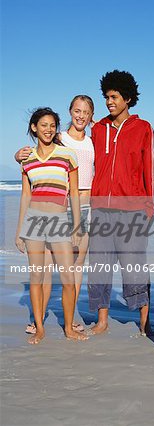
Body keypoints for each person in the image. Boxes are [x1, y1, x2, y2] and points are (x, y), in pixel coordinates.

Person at [15, 95, 95, 334]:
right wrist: (20, 232)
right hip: (42, 217)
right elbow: (26, 193)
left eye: (86, 112)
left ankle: (68, 325)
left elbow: (73, 187)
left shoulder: (84, 145)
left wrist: (77, 225)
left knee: (72, 272)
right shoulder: (43, 150)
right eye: (77, 110)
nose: (48, 129)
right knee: (41, 273)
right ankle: (39, 323)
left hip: (74, 211)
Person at [87, 70, 154, 336]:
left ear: (127, 98)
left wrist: (149, 207)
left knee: (135, 266)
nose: (109, 101)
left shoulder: (143, 128)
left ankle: (144, 320)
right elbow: (74, 146)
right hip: (101, 209)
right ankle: (102, 321)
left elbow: (149, 169)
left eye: (114, 96)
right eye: (106, 97)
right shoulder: (98, 128)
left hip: (133, 209)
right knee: (100, 266)